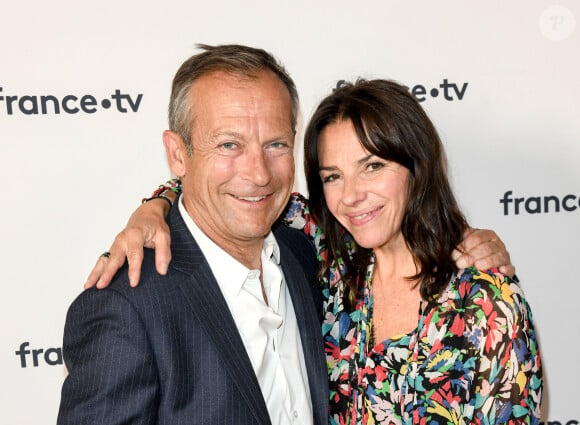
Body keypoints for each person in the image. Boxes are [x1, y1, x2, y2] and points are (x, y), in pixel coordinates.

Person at [57, 44, 329, 425]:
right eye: (229, 145)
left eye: (275, 144)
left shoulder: (301, 252)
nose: (260, 173)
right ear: (177, 153)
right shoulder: (125, 307)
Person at [292, 79, 542, 424]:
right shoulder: (331, 268)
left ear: (417, 166)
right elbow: (220, 190)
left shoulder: (485, 302)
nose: (350, 196)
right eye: (333, 176)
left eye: (372, 166)